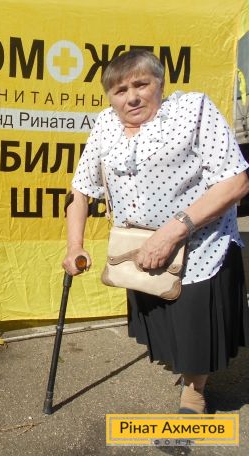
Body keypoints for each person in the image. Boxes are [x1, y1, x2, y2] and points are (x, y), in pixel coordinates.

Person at [63, 50, 249, 414]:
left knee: (195, 328)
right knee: (166, 321)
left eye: (141, 85)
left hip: (200, 246)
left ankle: (194, 392)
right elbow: (80, 190)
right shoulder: (105, 125)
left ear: (159, 84)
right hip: (140, 250)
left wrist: (171, 233)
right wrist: (74, 246)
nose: (131, 97)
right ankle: (184, 368)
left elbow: (235, 183)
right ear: (110, 97)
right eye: (120, 90)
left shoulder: (192, 111)